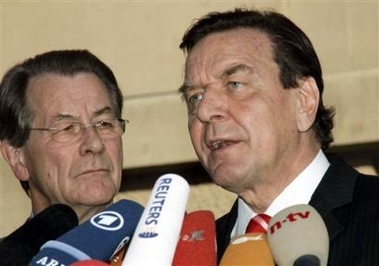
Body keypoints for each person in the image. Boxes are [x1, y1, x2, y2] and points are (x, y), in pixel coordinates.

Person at [178, 8, 379, 265]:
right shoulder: (193, 255)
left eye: (235, 84)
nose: (204, 111)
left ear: (304, 101)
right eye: (195, 96)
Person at [0, 49, 126, 224]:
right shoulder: (11, 252)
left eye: (104, 124)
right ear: (17, 158)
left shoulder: (167, 247)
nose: (95, 144)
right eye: (67, 128)